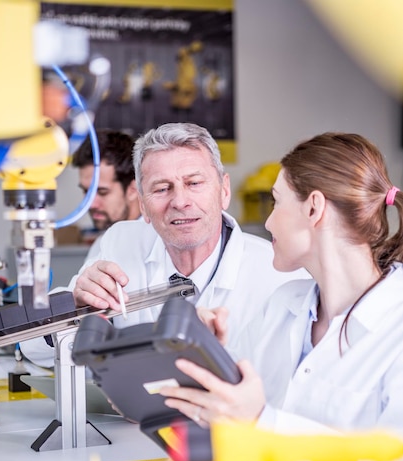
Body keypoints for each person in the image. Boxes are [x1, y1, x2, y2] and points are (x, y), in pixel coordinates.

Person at [157, 132, 403, 461]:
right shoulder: (283, 305)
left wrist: (261, 421)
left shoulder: (396, 326)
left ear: (313, 208)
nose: (268, 221)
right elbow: (230, 422)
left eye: (276, 202)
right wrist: (212, 362)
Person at [20, 122, 305, 367]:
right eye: (161, 188)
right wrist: (75, 308)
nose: (180, 201)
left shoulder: (280, 274)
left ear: (224, 191)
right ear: (142, 204)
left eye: (194, 183)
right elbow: (33, 349)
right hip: (128, 428)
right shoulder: (121, 242)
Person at [72, 128, 140, 260]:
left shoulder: (161, 244)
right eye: (86, 191)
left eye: (102, 192)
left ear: (133, 189)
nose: (90, 203)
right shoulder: (100, 247)